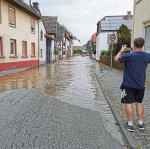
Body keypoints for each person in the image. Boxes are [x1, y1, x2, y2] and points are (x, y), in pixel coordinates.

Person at [114, 37, 150, 132]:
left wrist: (121, 51)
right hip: (140, 85)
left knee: (128, 104)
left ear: (134, 45)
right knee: (139, 103)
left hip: (128, 85)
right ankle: (141, 123)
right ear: (143, 45)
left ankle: (130, 125)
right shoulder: (147, 56)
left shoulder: (128, 56)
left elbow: (116, 59)